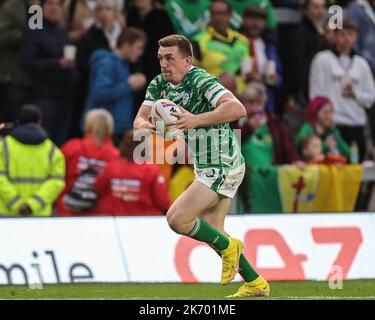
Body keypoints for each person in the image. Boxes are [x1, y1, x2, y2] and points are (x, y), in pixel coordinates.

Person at [133, 34, 270, 297]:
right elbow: (138, 120)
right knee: (214, 233)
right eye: (161, 58)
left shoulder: (201, 80)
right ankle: (255, 282)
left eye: (170, 58)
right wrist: (150, 126)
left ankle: (231, 247)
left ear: (187, 61)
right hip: (205, 164)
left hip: (223, 164)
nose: (164, 64)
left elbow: (237, 108)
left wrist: (196, 120)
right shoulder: (159, 84)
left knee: (177, 219)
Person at [309, 19, 375, 162]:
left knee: (356, 170)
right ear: (334, 36)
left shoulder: (361, 64)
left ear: (356, 37)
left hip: (356, 123)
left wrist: (356, 94)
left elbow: (371, 97)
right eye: (342, 34)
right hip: (333, 126)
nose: (346, 38)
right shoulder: (322, 60)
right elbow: (315, 96)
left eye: (350, 34)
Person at [20, 0, 79, 146]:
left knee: (60, 142)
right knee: (44, 140)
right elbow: (27, 63)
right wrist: (57, 63)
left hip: (65, 97)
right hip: (44, 97)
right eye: (50, 4)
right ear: (42, 7)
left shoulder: (62, 31)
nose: (54, 8)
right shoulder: (34, 29)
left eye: (58, 4)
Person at [83, 27, 147, 144]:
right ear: (126, 45)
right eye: (138, 47)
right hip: (103, 130)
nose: (140, 53)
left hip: (118, 129)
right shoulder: (107, 63)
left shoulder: (124, 64)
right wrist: (128, 85)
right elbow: (99, 93)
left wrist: (134, 87)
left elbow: (120, 94)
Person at [0, 105, 65, 216]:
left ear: (18, 121)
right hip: (39, 216)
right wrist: (32, 205)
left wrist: (17, 204)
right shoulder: (52, 151)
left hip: (7, 215)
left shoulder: (4, 147)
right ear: (39, 121)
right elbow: (56, 182)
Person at [56, 108, 119, 216]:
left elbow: (57, 177)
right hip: (99, 215)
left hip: (67, 211)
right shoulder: (116, 156)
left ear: (87, 125)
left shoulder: (71, 147)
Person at [93, 131, 170, 215]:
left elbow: (97, 189)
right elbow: (163, 202)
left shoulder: (111, 168)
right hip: (145, 222)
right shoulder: (151, 170)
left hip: (115, 221)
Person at [236, 82, 300, 168]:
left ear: (264, 104)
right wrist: (248, 128)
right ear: (243, 103)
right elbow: (231, 147)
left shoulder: (275, 122)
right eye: (251, 102)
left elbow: (288, 146)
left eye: (259, 103)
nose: (255, 107)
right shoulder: (236, 121)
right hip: (245, 174)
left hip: (271, 172)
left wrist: (295, 161)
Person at [193, 0, 250, 94]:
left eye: (221, 13)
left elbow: (246, 69)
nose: (217, 18)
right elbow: (191, 74)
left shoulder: (242, 40)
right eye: (213, 14)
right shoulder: (198, 41)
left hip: (242, 94)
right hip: (212, 92)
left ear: (230, 15)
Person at [0, 0, 37, 125]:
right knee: (10, 115)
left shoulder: (36, 7)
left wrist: (35, 9)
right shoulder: (11, 6)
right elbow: (2, 35)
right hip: (12, 72)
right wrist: (24, 36)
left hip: (31, 74)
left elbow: (38, 33)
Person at [240, 5, 282, 113]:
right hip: (240, 101)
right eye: (251, 19)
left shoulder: (269, 45)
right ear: (244, 20)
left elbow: (279, 77)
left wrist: (275, 79)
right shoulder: (236, 43)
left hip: (265, 104)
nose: (255, 24)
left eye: (259, 20)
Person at [127, 0, 175, 84]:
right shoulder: (131, 14)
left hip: (156, 64)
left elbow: (170, 42)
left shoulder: (161, 15)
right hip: (133, 64)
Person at [292, 0, 326, 105]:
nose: (320, 11)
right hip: (309, 89)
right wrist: (303, 89)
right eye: (315, 7)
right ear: (306, 10)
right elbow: (298, 64)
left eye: (322, 7)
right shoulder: (302, 33)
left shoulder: (321, 30)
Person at [295, 96, 350, 161]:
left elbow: (346, 153)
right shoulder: (306, 130)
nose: (329, 116)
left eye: (331, 112)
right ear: (315, 112)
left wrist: (335, 132)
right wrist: (325, 145)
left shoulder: (331, 131)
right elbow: (302, 153)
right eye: (325, 112)